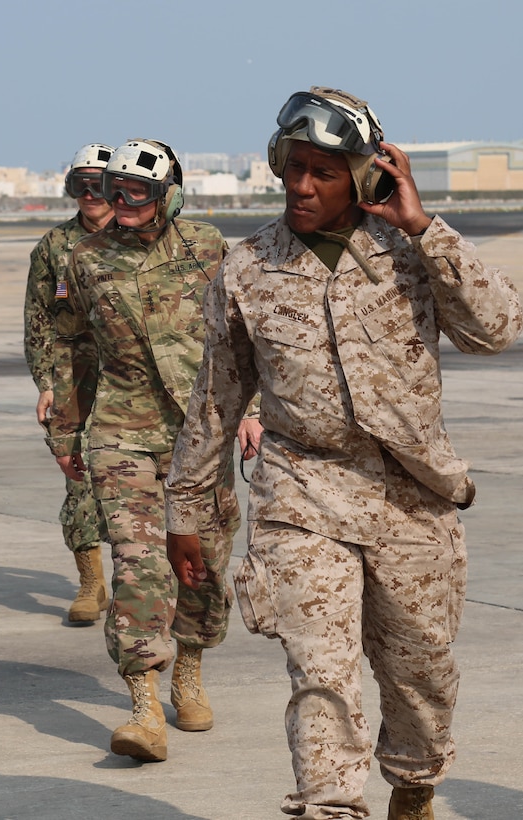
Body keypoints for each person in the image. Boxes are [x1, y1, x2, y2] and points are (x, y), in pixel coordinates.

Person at [164, 87, 523, 819]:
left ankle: (413, 787)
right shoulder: (247, 268)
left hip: (411, 499)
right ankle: (330, 807)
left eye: (323, 172)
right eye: (292, 167)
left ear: (363, 178)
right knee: (320, 676)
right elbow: (214, 398)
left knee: (419, 677)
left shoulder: (410, 251)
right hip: (302, 492)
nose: (300, 185)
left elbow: (496, 329)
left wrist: (425, 227)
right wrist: (183, 511)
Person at [45, 138, 261, 763]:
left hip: (203, 437)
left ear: (169, 195)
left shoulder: (209, 247)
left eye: (137, 191)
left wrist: (250, 412)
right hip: (122, 432)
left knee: (206, 567)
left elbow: (247, 337)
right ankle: (143, 709)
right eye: (113, 190)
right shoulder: (84, 260)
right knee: (139, 564)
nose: (122, 202)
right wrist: (66, 434)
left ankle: (188, 669)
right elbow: (72, 351)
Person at [24, 143, 115, 623]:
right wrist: (47, 383)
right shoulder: (53, 247)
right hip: (73, 383)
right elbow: (38, 322)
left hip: (134, 385)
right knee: (79, 480)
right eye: (78, 183)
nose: (87, 193)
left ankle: (140, 585)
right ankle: (91, 583)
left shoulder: (140, 239)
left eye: (96, 182)